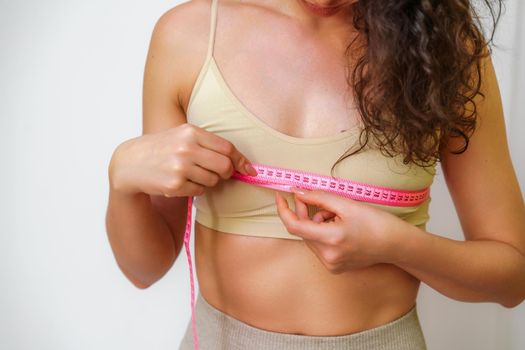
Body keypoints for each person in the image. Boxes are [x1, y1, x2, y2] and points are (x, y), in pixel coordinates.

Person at [105, 0, 525, 349]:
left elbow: (513, 278)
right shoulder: (190, 33)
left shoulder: (444, 47)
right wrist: (122, 181)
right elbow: (145, 269)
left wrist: (397, 245)